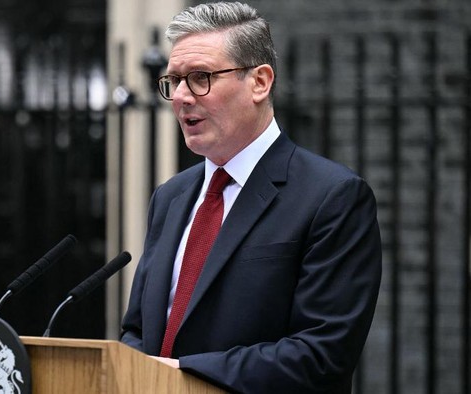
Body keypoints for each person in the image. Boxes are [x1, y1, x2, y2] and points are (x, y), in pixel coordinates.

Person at [120, 2, 382, 393]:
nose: (181, 97)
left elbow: (321, 354)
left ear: (259, 82)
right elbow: (139, 330)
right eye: (174, 81)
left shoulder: (332, 196)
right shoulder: (170, 197)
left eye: (200, 77)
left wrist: (178, 373)